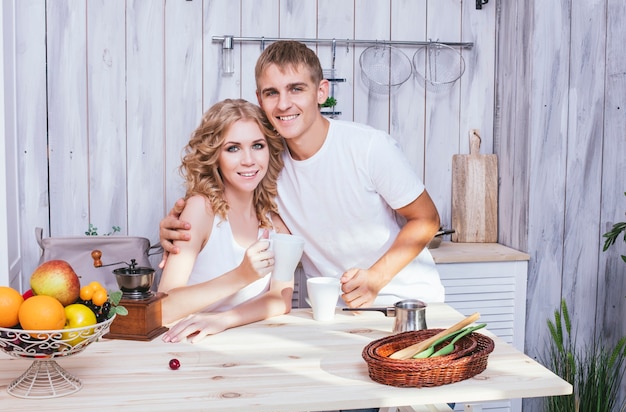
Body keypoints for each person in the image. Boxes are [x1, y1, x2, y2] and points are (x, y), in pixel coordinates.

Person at [160, 40, 444, 310]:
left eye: (296, 89)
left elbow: (427, 218)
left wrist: (376, 278)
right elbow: (220, 203)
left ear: (321, 92)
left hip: (406, 300)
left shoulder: (369, 147)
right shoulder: (265, 163)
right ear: (260, 99)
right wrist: (180, 228)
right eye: (272, 92)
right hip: (332, 310)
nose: (283, 104)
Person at [157, 98, 293, 344]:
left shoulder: (274, 223)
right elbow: (162, 309)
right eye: (233, 148)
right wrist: (242, 275)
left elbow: (281, 297)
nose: (249, 160)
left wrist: (223, 320)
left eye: (258, 145)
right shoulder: (201, 210)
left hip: (246, 348)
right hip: (189, 348)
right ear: (214, 156)